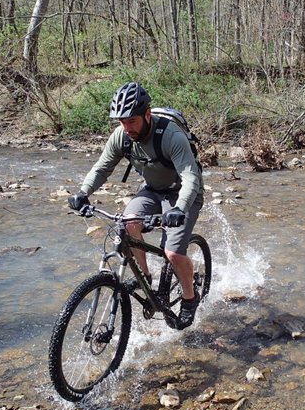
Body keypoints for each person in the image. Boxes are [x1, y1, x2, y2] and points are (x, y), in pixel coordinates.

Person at [68, 82, 204, 328]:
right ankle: (145, 278)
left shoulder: (170, 136)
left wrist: (179, 209)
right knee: (129, 223)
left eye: (132, 121)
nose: (126, 127)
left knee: (172, 253)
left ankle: (189, 297)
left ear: (147, 115)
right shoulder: (122, 136)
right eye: (121, 121)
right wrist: (83, 192)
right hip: (152, 189)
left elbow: (191, 177)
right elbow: (102, 167)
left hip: (183, 193)